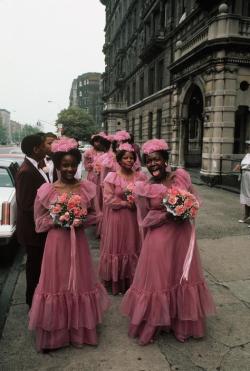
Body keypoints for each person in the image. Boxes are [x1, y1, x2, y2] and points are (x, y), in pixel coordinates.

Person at [121, 139, 216, 344]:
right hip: (158, 238)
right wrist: (167, 215)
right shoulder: (145, 187)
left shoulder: (180, 177)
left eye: (156, 159)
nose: (153, 164)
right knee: (158, 280)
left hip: (181, 236)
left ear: (165, 159)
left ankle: (181, 323)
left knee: (181, 278)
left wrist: (185, 210)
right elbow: (144, 219)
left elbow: (194, 201)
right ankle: (155, 322)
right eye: (148, 161)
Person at [29, 137, 109, 352]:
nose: (69, 168)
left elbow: (96, 215)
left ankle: (79, 330)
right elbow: (39, 222)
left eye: (73, 164)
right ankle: (56, 334)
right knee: (58, 283)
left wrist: (80, 218)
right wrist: (58, 218)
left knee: (79, 282)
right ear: (57, 165)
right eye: (65, 165)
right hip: (56, 243)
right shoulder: (48, 190)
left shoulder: (86, 188)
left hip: (79, 243)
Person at [99, 143, 147, 295]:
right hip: (118, 217)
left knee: (133, 245)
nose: (129, 160)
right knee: (118, 247)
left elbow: (146, 195)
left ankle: (132, 281)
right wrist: (125, 202)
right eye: (125, 158)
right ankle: (117, 281)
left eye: (132, 158)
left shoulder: (140, 176)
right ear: (119, 160)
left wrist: (138, 201)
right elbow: (107, 199)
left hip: (134, 218)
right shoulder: (111, 177)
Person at [16, 134, 48, 307]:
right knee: (34, 269)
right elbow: (27, 205)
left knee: (38, 267)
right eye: (44, 145)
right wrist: (53, 211)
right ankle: (32, 303)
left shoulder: (36, 166)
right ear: (36, 149)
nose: (46, 148)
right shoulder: (27, 171)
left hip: (37, 229)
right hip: (33, 231)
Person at [234, 140, 250, 226]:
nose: (248, 147)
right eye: (248, 146)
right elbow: (244, 165)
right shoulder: (247, 155)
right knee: (246, 196)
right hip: (245, 176)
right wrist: (239, 167)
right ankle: (246, 215)